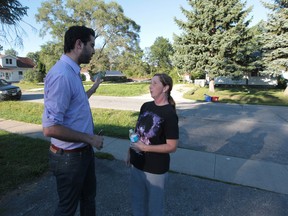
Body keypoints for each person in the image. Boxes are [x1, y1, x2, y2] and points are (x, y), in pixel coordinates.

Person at [42, 25, 104, 216]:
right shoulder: (61, 75)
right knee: (67, 209)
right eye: (91, 45)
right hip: (69, 158)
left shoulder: (72, 71)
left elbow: (77, 102)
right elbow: (50, 128)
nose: (94, 50)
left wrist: (95, 86)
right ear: (79, 44)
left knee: (88, 199)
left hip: (82, 153)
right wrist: (90, 139)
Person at [127, 73, 179, 216]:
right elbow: (138, 132)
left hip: (155, 169)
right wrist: (129, 152)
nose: (151, 86)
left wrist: (145, 148)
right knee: (137, 203)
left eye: (155, 83)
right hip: (137, 163)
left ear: (165, 88)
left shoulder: (169, 114)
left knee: (155, 208)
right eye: (151, 83)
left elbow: (172, 146)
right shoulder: (146, 106)